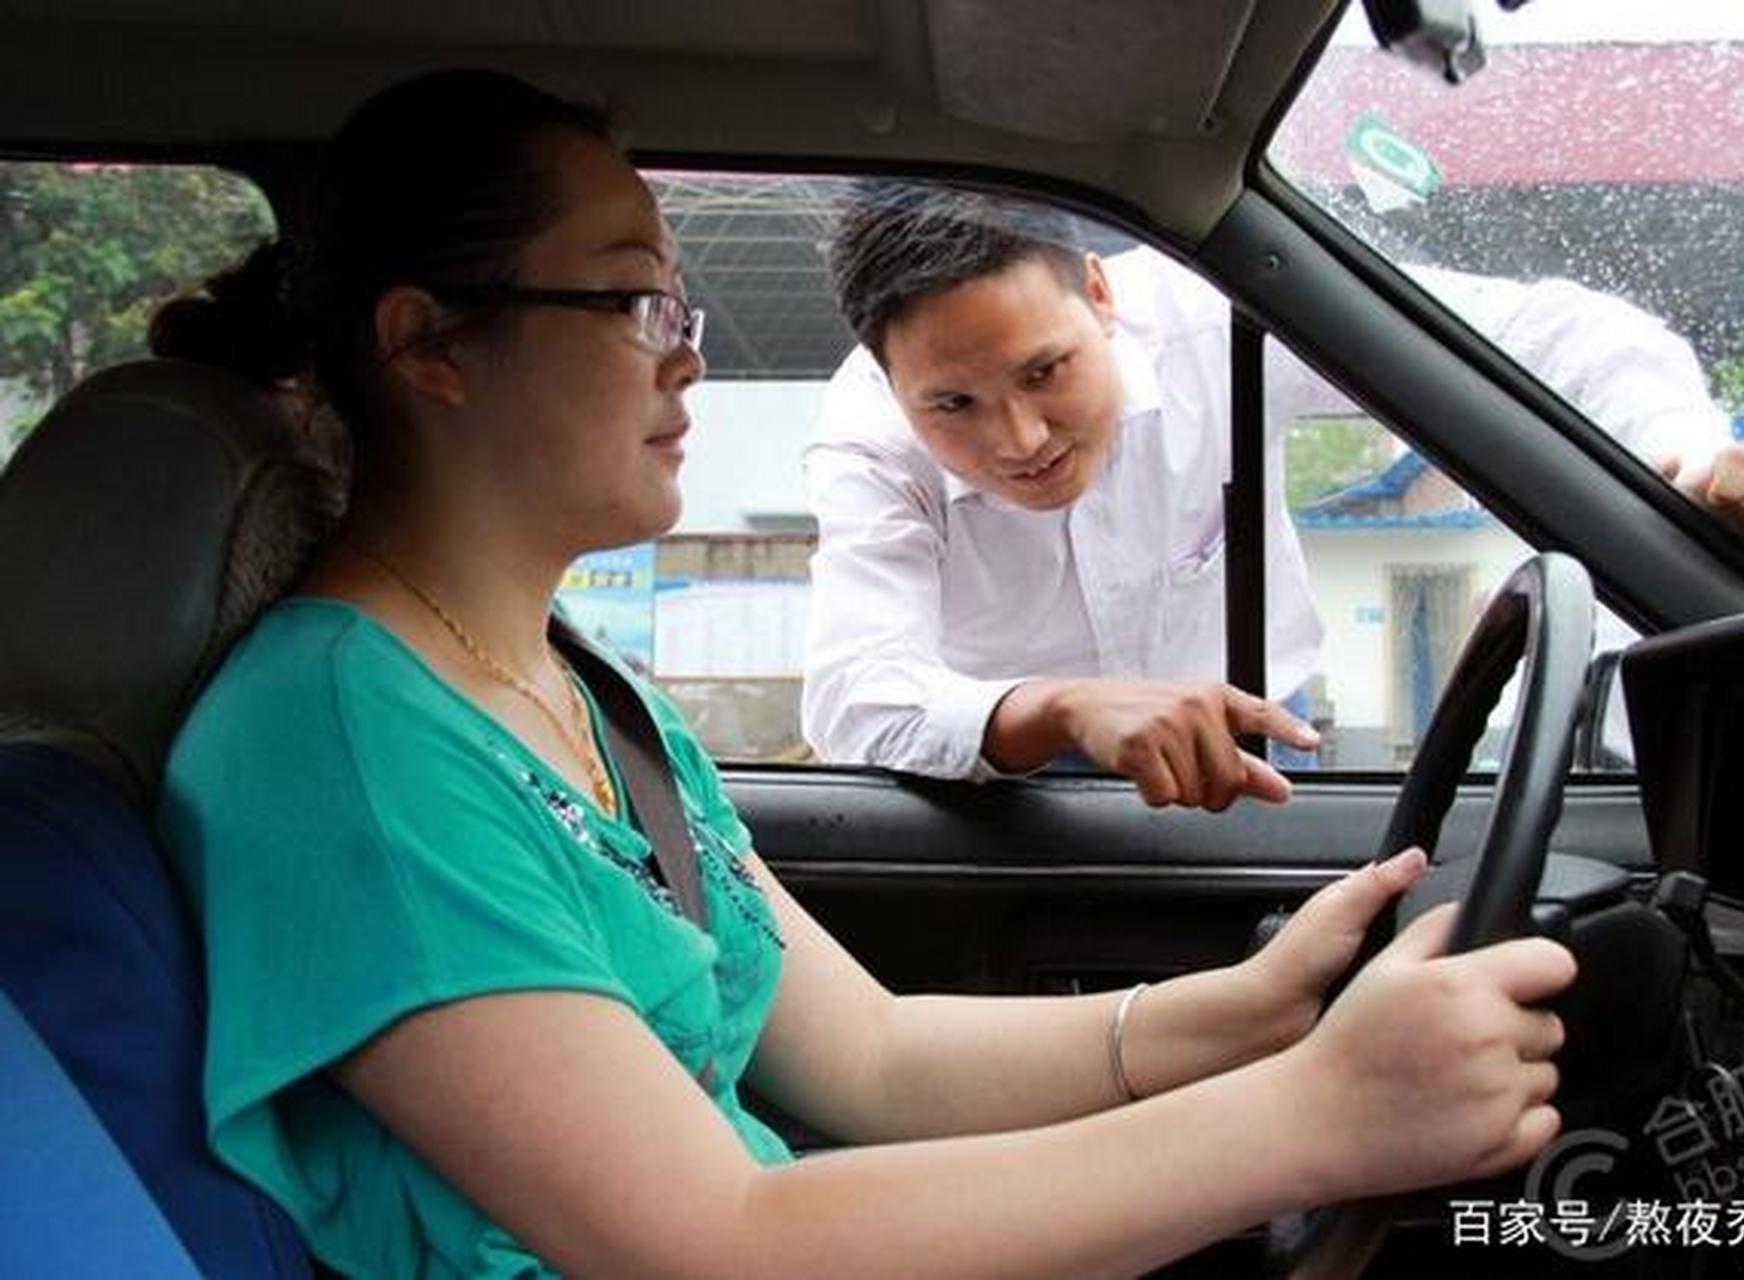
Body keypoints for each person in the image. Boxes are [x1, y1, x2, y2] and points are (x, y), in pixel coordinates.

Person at [155, 70, 1576, 1279]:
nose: (687, 366)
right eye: (639, 306)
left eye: (680, 310)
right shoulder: (339, 737)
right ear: (430, 348)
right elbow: (717, 1242)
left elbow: (876, 1061)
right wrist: (1313, 1118)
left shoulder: (579, 690)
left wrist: (1255, 1010)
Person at [801, 193, 1744, 807]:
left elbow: (1563, 341)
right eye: (953, 404)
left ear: (1098, 293)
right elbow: (855, 693)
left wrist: (1683, 471)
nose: (1016, 440)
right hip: (1003, 784)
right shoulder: (867, 434)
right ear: (885, 376)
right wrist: (1057, 704)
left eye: (1043, 373)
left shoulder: (1221, 322)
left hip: (1264, 746)